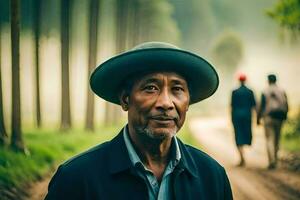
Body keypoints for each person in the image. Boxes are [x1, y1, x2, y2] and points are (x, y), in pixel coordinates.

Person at [45, 42, 233, 200]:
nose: (166, 103)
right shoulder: (76, 179)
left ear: (188, 102)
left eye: (177, 89)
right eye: (151, 88)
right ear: (126, 99)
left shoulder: (212, 177)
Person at [257, 74, 288, 169]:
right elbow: (286, 104)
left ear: (268, 81)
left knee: (269, 139)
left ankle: (272, 161)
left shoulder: (265, 91)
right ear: (276, 80)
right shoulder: (282, 90)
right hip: (279, 117)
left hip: (268, 117)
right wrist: (285, 116)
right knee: (277, 139)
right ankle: (276, 159)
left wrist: (258, 118)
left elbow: (261, 106)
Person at [231, 74, 256, 167]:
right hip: (247, 117)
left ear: (239, 81)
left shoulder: (235, 92)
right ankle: (242, 156)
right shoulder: (250, 92)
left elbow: (232, 106)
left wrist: (232, 118)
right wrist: (257, 118)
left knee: (238, 135)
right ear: (245, 81)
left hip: (237, 116)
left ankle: (242, 157)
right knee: (246, 134)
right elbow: (254, 105)